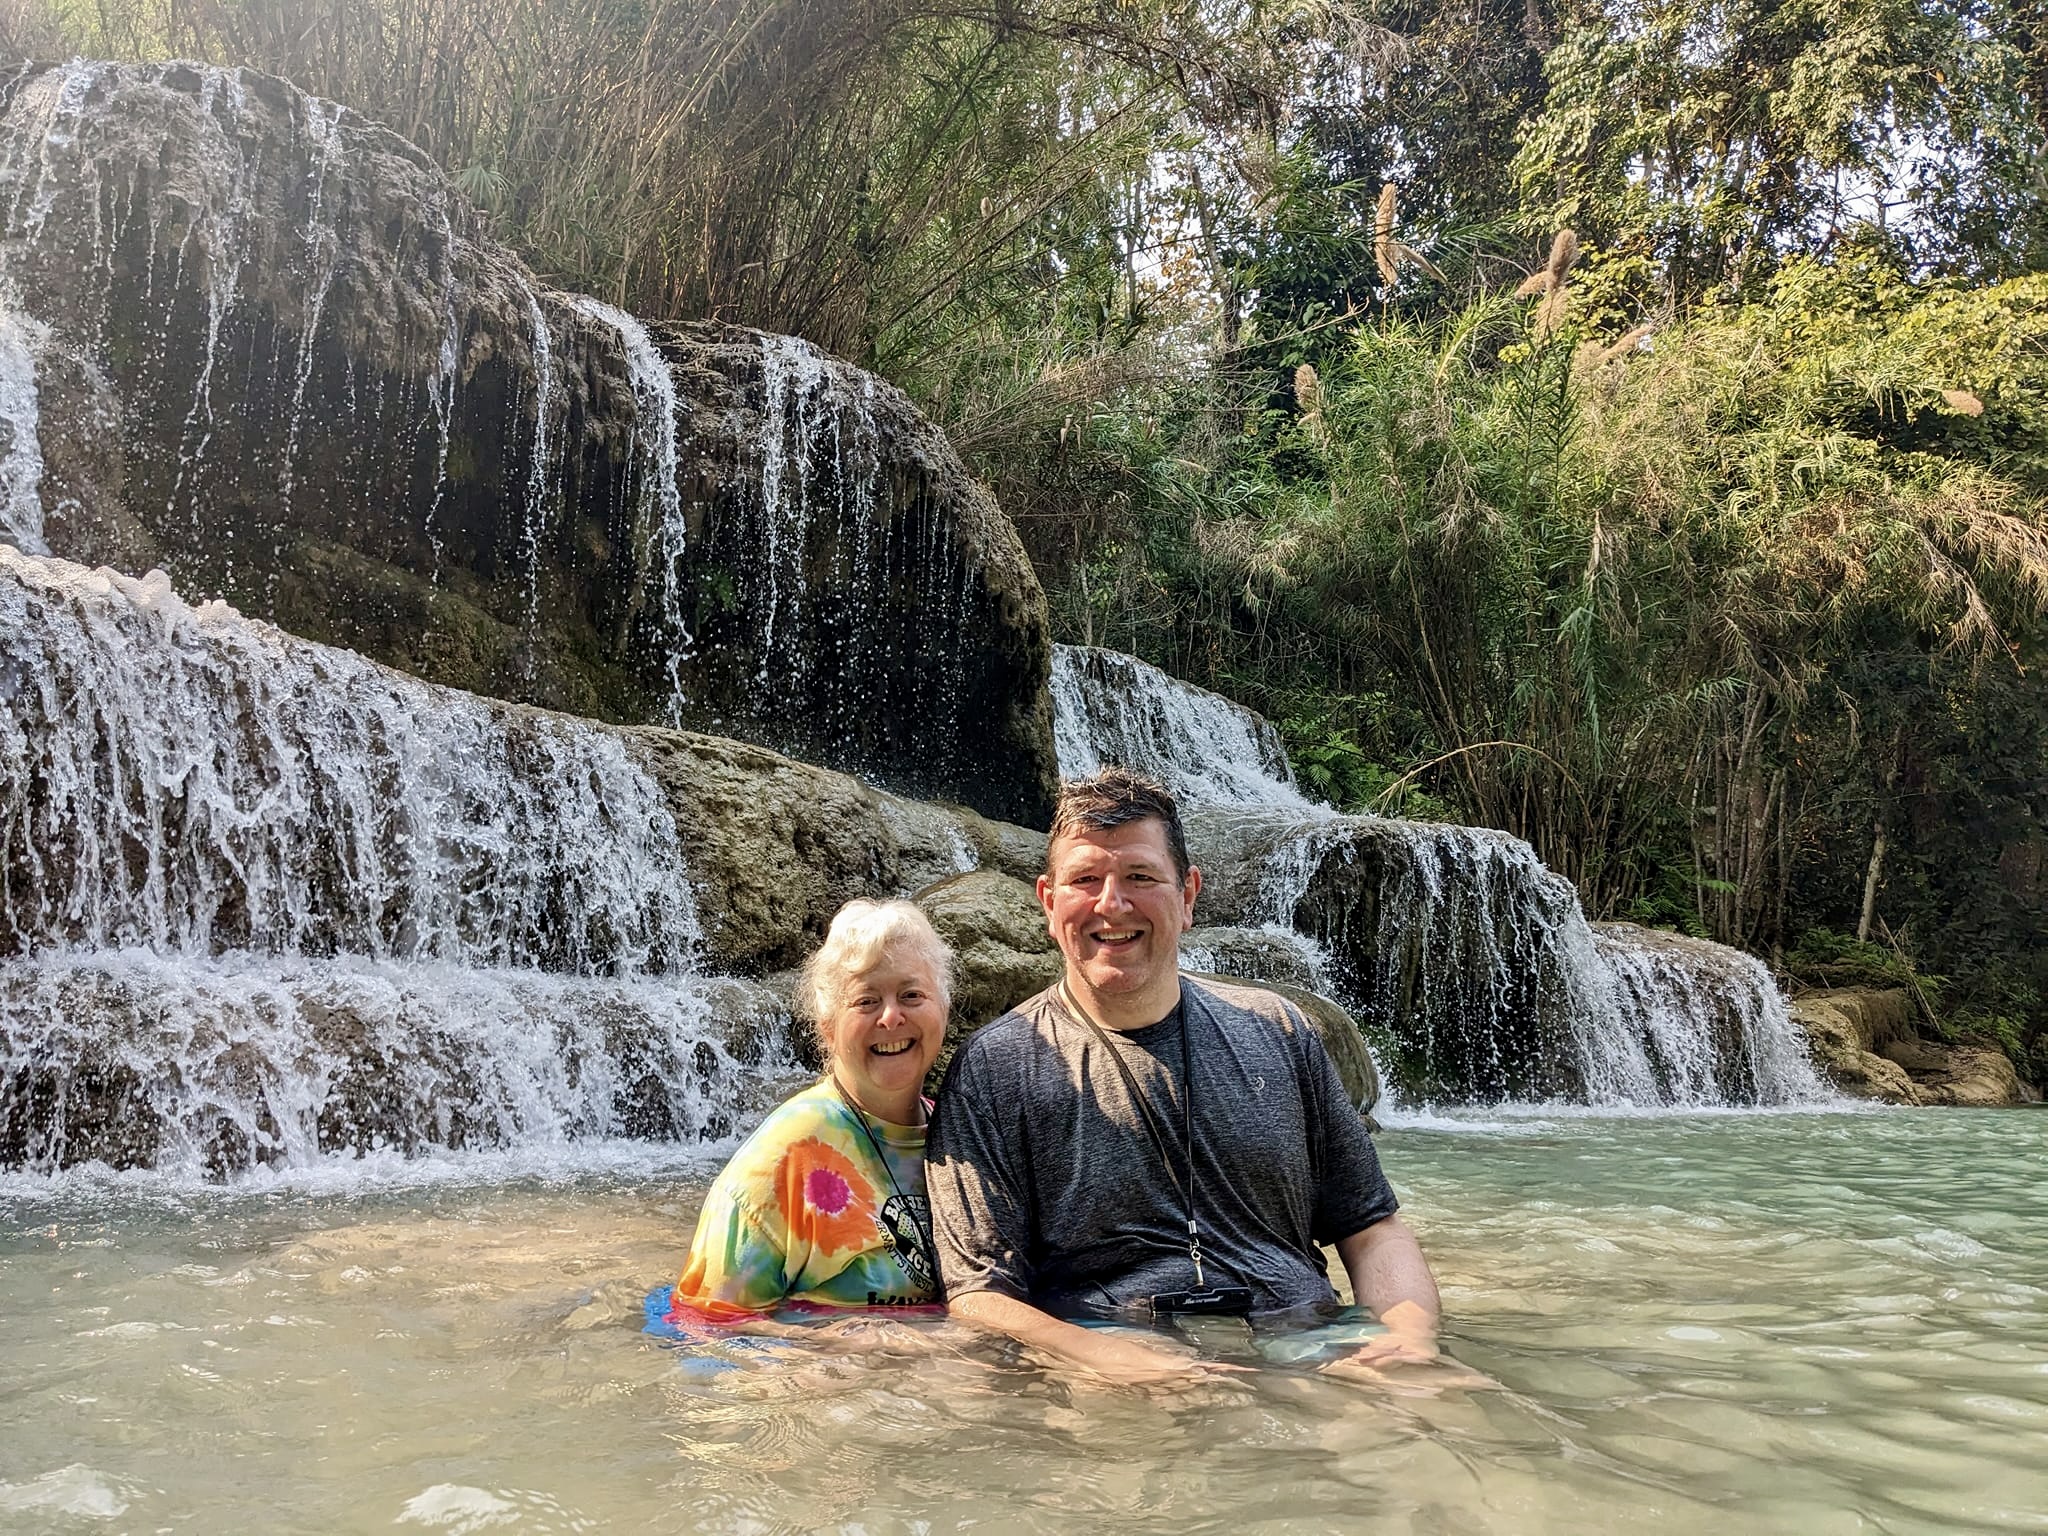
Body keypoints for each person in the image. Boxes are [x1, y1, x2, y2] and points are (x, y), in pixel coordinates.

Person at [925, 768, 1442, 1385]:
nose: (1111, 905)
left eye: (1140, 877)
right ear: (1048, 901)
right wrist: (1099, 1357)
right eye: (1085, 880)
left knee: (1442, 1419)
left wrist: (1408, 1341)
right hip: (1110, 1360)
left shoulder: (1278, 1032)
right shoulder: (996, 1067)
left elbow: (1372, 1228)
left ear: (1189, 894)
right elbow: (977, 1295)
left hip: (1306, 1337)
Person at [663, 898, 950, 1324]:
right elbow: (704, 1327)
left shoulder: (962, 1133)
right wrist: (854, 1344)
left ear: (943, 1007)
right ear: (828, 1028)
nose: (891, 1017)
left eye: (911, 995)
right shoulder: (782, 1158)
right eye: (866, 1001)